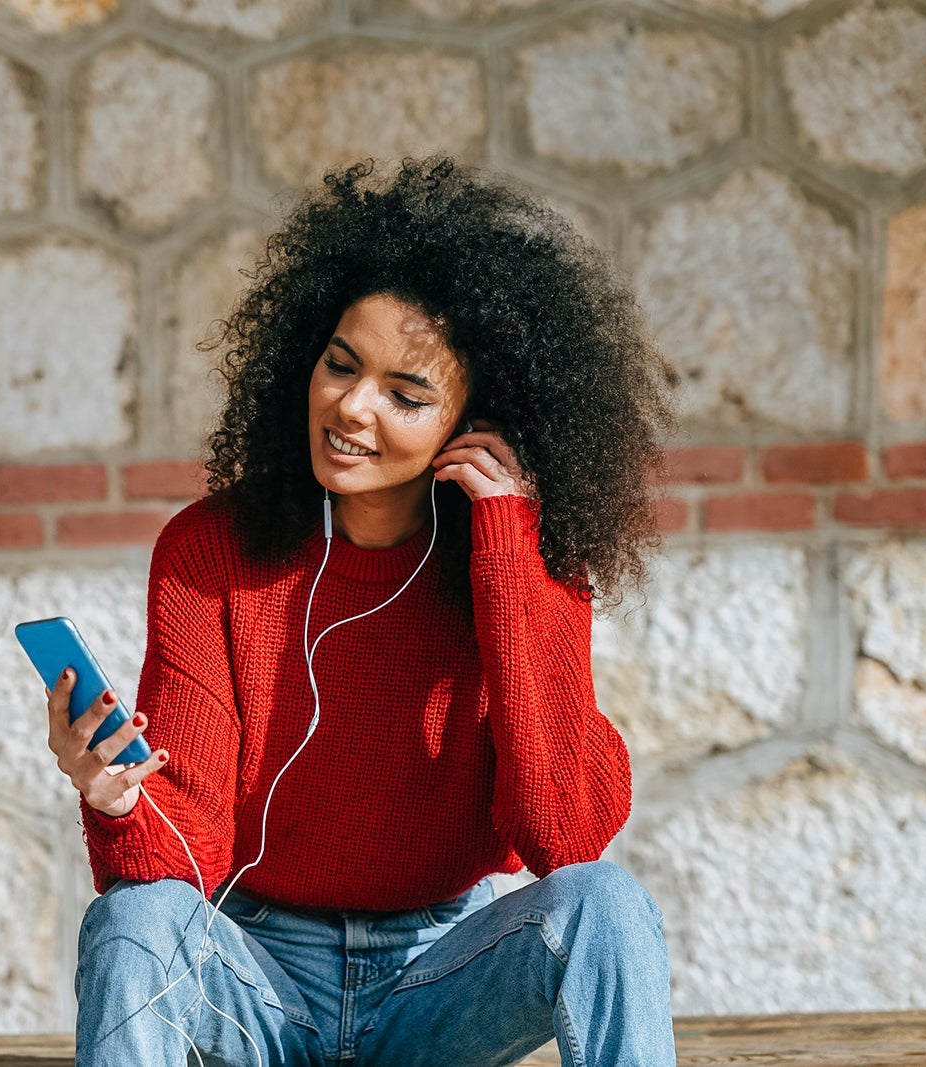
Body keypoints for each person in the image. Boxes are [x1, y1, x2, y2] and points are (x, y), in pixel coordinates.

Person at [44, 156, 679, 1066]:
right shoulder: (209, 553)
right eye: (340, 365)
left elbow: (564, 835)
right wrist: (111, 796)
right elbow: (179, 860)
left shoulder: (525, 561)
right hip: (258, 975)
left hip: (440, 983)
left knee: (608, 903)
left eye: (406, 394)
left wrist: (505, 555)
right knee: (131, 919)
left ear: (475, 422)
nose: (351, 406)